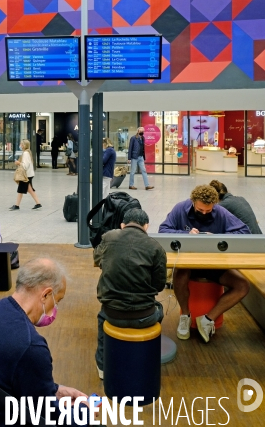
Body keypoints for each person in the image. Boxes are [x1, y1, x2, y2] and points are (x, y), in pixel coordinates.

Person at [0, 258, 89, 427]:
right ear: (46, 294)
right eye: (57, 301)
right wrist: (84, 411)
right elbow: (47, 414)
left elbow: (9, 377)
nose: (55, 309)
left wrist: (55, 390)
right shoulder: (30, 345)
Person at [159, 185, 250, 343]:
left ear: (214, 205)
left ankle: (208, 320)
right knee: (179, 275)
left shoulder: (221, 212)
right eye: (200, 210)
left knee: (242, 286)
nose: (204, 213)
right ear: (193, 202)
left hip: (213, 266)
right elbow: (163, 230)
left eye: (208, 211)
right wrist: (186, 234)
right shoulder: (180, 209)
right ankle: (185, 316)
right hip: (188, 265)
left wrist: (216, 237)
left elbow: (244, 232)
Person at [94, 208, 166, 379]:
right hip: (145, 315)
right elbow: (159, 285)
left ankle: (103, 366)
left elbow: (97, 260)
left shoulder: (109, 237)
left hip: (112, 313)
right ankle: (143, 356)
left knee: (102, 317)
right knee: (159, 308)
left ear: (122, 225)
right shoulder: (156, 248)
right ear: (146, 226)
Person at [10, 139, 42, 210]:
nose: (20, 145)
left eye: (21, 144)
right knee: (29, 189)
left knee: (21, 190)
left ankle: (17, 205)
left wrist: (18, 163)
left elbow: (25, 165)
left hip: (25, 175)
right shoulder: (28, 152)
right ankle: (38, 203)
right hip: (29, 174)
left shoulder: (25, 153)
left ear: (24, 145)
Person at [127, 126, 154, 191]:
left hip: (141, 157)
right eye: (141, 131)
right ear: (138, 131)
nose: (142, 132)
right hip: (134, 157)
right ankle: (131, 185)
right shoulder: (133, 138)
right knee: (133, 171)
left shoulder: (143, 138)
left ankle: (147, 185)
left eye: (143, 131)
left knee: (144, 170)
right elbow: (130, 148)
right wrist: (129, 158)